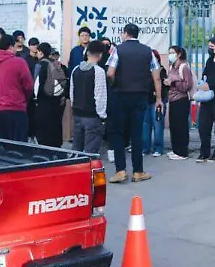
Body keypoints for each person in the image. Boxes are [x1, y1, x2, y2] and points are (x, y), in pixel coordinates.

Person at [106, 23, 162, 183]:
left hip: (120, 96)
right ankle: (138, 171)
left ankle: (120, 170)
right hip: (140, 96)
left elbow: (110, 72)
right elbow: (156, 76)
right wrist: (158, 99)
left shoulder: (119, 50)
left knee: (117, 132)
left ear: (125, 34)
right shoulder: (148, 51)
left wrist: (115, 82)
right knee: (136, 133)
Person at [0, 34, 34, 142]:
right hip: (16, 110)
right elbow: (29, 86)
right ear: (11, 47)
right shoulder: (19, 62)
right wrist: (24, 100)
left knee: (0, 149)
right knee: (18, 149)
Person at [70, 40, 109, 155]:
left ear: (87, 53)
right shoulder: (99, 71)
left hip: (77, 115)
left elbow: (72, 93)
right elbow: (100, 96)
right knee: (90, 153)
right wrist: (102, 116)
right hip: (92, 117)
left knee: (76, 150)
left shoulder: (75, 69)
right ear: (100, 55)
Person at [30, 43, 68, 147]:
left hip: (43, 102)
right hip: (56, 101)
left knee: (44, 131)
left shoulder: (40, 65)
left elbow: (36, 85)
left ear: (41, 52)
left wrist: (35, 99)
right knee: (55, 128)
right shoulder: (56, 64)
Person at [165, 46, 195, 160]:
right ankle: (175, 150)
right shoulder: (172, 67)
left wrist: (173, 82)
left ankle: (182, 152)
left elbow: (187, 85)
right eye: (169, 53)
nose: (170, 55)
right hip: (172, 98)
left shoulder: (184, 67)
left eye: (172, 53)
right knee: (174, 126)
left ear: (179, 54)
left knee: (181, 126)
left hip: (181, 99)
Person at [143, 51, 168, 157]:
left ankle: (158, 148)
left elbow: (163, 86)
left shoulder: (161, 70)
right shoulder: (143, 70)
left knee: (158, 124)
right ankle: (145, 148)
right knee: (145, 125)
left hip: (157, 101)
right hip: (145, 100)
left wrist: (159, 97)